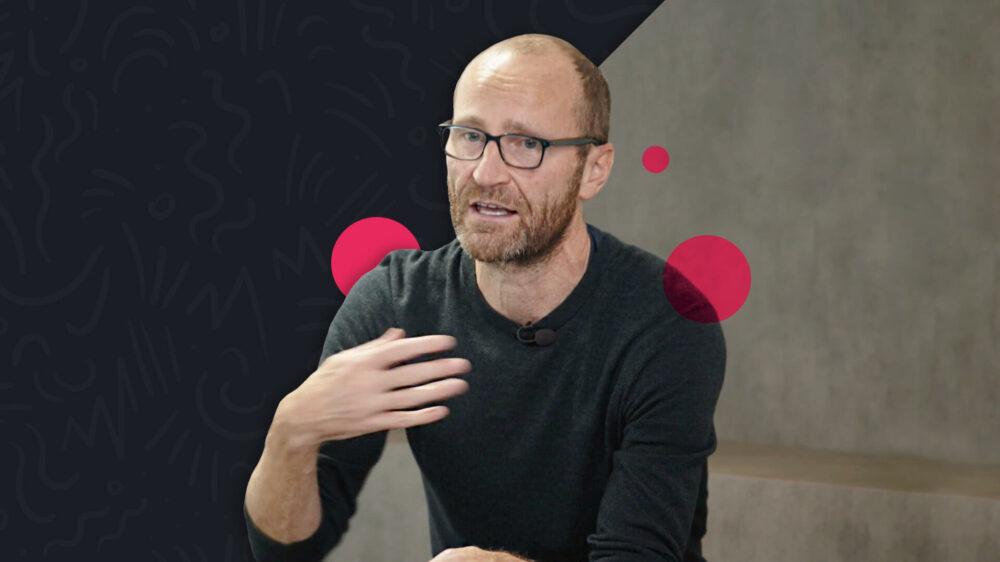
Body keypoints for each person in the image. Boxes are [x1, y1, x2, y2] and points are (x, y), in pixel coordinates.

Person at [244, 33, 726, 562]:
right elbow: (283, 550)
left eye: (526, 144)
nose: (485, 172)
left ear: (594, 169)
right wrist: (289, 433)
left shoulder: (668, 321)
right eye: (470, 135)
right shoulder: (396, 303)